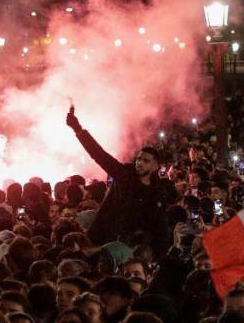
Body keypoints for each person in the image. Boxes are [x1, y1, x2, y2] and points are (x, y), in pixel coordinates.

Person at [66, 108, 174, 251]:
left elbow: (158, 226)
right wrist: (79, 130)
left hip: (132, 249)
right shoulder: (124, 174)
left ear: (155, 166)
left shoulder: (157, 192)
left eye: (146, 161)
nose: (139, 163)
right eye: (139, 159)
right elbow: (99, 154)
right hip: (104, 241)